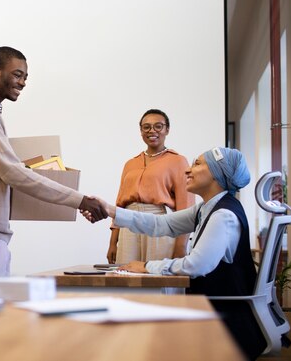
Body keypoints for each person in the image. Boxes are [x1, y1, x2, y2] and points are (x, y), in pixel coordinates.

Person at [0, 46, 107, 291]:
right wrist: (80, 200)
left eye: (25, 77)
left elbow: (8, 170)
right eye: (17, 74)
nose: (22, 82)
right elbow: (12, 173)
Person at [86, 147, 266, 360]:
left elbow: (196, 265)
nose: (188, 170)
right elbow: (159, 224)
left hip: (225, 326)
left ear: (218, 173)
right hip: (210, 314)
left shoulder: (223, 215)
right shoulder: (205, 209)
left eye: (198, 164)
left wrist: (146, 266)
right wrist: (109, 210)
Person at [107, 109, 194, 265]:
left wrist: (181, 246)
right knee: (125, 274)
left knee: (158, 276)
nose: (152, 131)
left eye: (158, 126)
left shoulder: (178, 161)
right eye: (146, 127)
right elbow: (119, 205)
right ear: (141, 131)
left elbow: (186, 207)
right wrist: (113, 243)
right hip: (128, 222)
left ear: (167, 129)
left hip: (159, 221)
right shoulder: (130, 163)